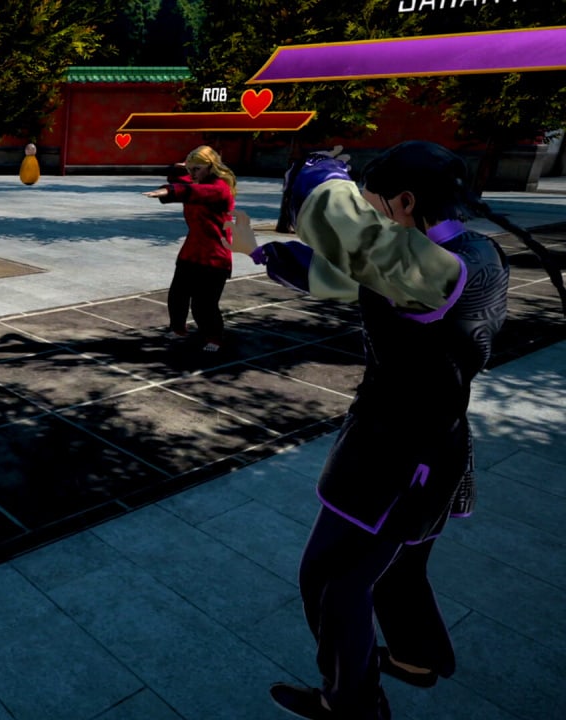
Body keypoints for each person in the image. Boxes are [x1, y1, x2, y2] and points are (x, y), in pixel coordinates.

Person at [229, 141, 566, 719]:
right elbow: (346, 275)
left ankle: (351, 704)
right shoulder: (473, 248)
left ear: (406, 202)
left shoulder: (442, 269)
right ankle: (416, 656)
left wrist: (319, 178)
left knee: (332, 581)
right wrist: (261, 250)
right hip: (432, 442)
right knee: (398, 568)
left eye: (377, 205)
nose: (375, 218)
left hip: (396, 452)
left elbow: (362, 245)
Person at [143, 144, 236, 352]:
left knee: (204, 304)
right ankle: (178, 329)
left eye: (197, 169)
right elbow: (181, 180)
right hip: (191, 251)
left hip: (215, 255)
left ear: (211, 167)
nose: (192, 174)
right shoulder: (197, 181)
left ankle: (214, 337)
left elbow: (193, 191)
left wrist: (169, 190)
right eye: (190, 169)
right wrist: (177, 170)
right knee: (177, 296)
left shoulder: (219, 188)